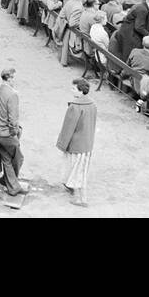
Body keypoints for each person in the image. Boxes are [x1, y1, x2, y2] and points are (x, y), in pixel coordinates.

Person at [57, 78, 97, 207]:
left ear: (80, 91)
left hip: (75, 145)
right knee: (81, 171)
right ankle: (78, 194)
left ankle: (80, 199)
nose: (71, 90)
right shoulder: (92, 104)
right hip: (87, 143)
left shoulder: (74, 107)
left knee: (75, 170)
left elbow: (68, 128)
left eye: (74, 88)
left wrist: (62, 144)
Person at [0, 66, 25, 196]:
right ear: (9, 78)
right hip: (7, 133)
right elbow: (13, 119)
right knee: (19, 158)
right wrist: (15, 132)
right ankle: (11, 184)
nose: (15, 81)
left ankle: (10, 184)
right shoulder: (13, 94)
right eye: (14, 78)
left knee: (6, 159)